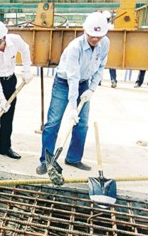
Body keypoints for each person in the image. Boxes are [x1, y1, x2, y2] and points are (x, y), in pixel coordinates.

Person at [36, 12, 110, 174]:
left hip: (85, 84)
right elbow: (72, 77)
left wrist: (91, 89)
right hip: (64, 83)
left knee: (82, 124)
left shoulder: (105, 43)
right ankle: (46, 161)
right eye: (92, 36)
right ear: (85, 31)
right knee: (53, 122)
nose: (95, 40)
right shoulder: (75, 48)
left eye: (99, 36)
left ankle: (73, 158)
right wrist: (72, 107)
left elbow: (100, 67)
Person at [0, 20, 33, 166]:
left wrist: (27, 69)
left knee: (8, 115)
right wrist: (1, 98)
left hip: (10, 81)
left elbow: (25, 49)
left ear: (3, 38)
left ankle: (5, 147)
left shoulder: (14, 40)